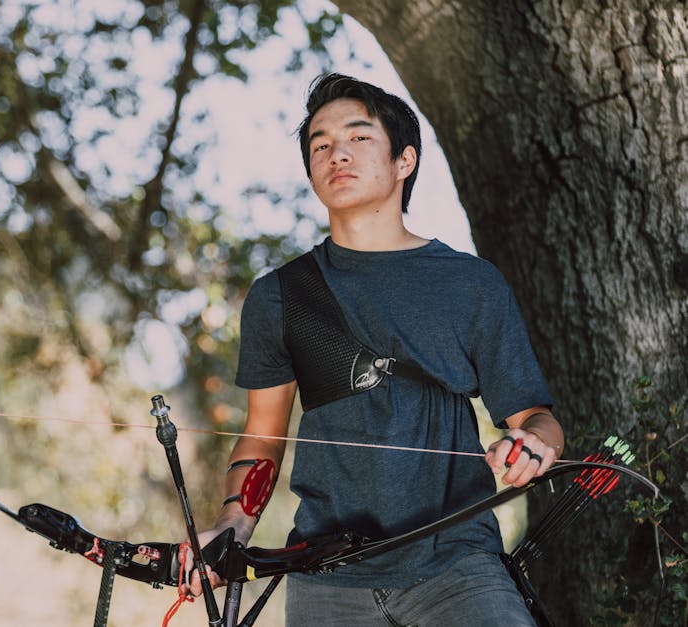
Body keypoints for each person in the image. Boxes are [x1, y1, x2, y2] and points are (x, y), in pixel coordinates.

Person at [190, 73, 565, 626]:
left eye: (358, 137)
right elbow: (262, 435)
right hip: (324, 579)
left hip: (459, 569)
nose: (336, 153)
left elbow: (536, 417)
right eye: (320, 145)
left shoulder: (471, 284)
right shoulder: (280, 295)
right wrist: (232, 522)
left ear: (404, 161)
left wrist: (534, 443)